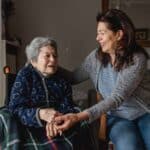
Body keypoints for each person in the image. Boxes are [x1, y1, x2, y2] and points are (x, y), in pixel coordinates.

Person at [54, 9, 150, 150]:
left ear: (118, 34)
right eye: (97, 33)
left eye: (102, 33)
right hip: (118, 117)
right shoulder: (95, 58)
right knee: (130, 147)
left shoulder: (137, 58)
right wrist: (49, 64)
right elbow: (72, 77)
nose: (97, 38)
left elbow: (117, 97)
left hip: (144, 113)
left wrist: (77, 117)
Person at [0, 36, 95, 150]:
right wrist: (40, 114)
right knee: (4, 115)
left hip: (56, 125)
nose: (53, 60)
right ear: (34, 61)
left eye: (55, 56)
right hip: (29, 124)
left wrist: (56, 121)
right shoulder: (25, 75)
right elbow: (15, 108)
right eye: (47, 56)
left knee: (80, 115)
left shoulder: (62, 78)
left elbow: (67, 105)